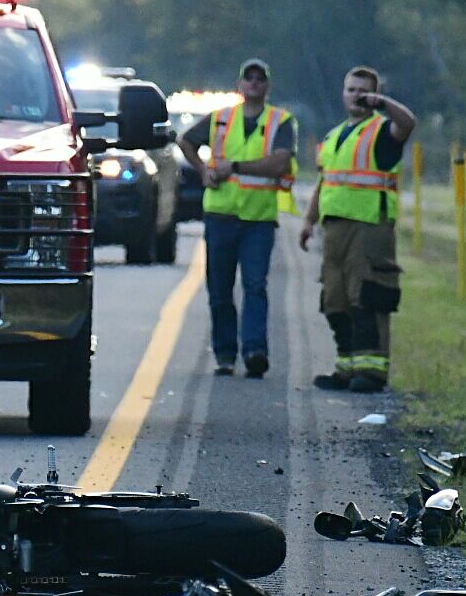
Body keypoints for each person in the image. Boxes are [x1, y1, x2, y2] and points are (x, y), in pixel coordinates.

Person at [299, 66, 417, 393]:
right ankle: (346, 366)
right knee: (335, 300)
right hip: (334, 229)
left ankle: (372, 371)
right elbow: (325, 182)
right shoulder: (334, 136)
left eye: (363, 91)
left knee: (367, 295)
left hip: (369, 228)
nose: (356, 96)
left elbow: (408, 123)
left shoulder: (382, 131)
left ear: (374, 94)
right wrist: (308, 221)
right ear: (343, 93)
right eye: (351, 90)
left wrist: (382, 103)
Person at [178, 59, 298, 378]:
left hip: (258, 219)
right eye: (250, 78)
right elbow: (185, 141)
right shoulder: (220, 120)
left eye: (261, 79)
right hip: (221, 215)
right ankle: (225, 354)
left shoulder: (281, 122)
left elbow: (279, 164)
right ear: (240, 84)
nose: (255, 83)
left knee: (255, 285)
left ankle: (255, 351)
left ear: (268, 86)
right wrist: (203, 170)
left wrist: (237, 167)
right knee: (220, 289)